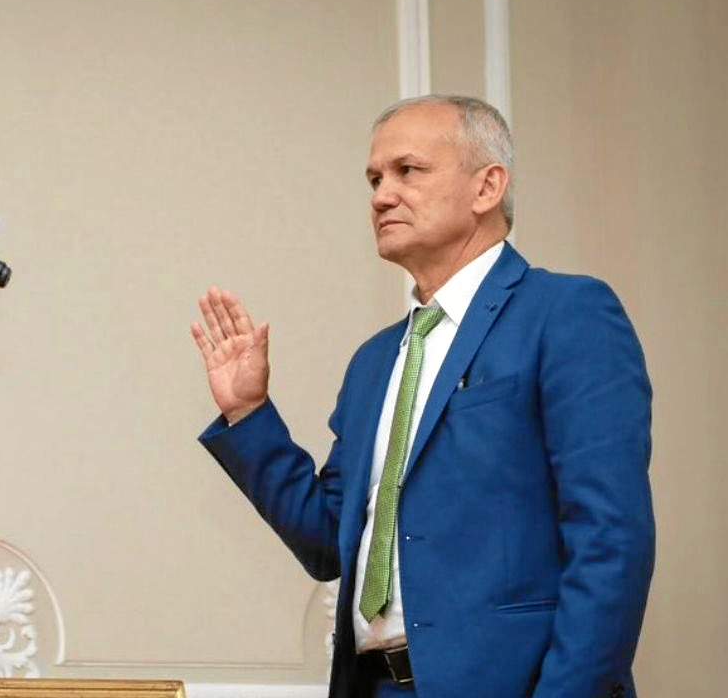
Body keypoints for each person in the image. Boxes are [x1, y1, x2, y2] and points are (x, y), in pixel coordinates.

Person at [191, 95, 654, 698]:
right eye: (374, 179)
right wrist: (247, 412)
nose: (382, 196)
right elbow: (331, 543)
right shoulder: (374, 361)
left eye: (407, 171)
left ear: (487, 186)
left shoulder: (567, 313)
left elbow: (611, 540)